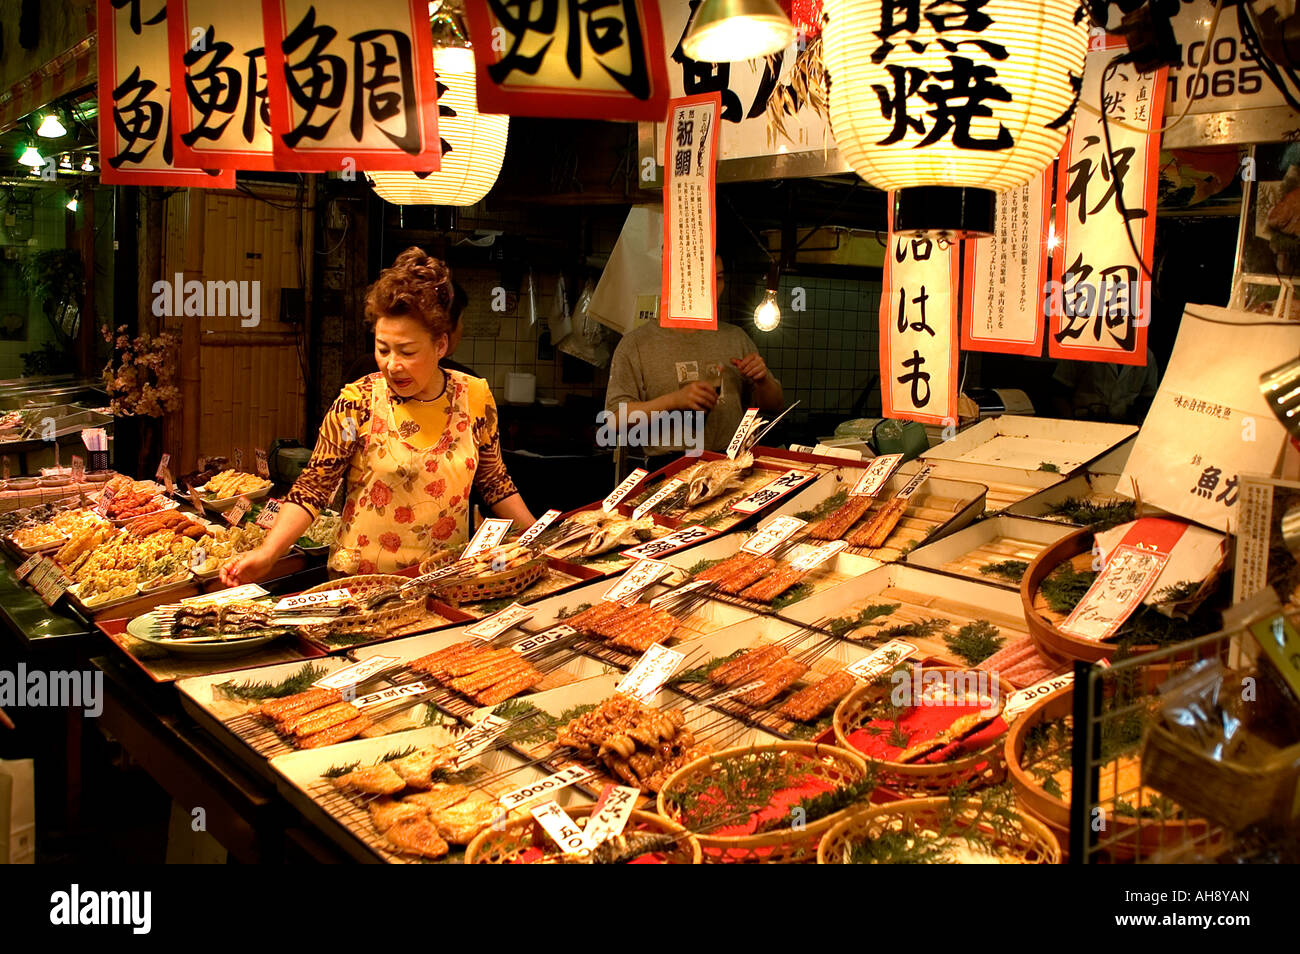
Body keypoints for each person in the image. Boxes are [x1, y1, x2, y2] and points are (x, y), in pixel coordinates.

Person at [222, 248, 534, 582]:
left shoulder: (474, 396)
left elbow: (494, 482)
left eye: (407, 351)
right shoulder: (357, 402)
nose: (391, 364)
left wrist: (537, 534)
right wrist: (269, 554)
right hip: (361, 583)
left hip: (443, 579)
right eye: (382, 349)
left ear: (440, 346)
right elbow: (314, 486)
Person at [604, 255, 784, 468]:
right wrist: (673, 401)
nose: (714, 288)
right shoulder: (637, 343)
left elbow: (775, 406)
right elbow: (614, 420)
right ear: (680, 281)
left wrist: (763, 380)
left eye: (719, 278)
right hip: (669, 466)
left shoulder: (736, 337)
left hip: (732, 464)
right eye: (705, 280)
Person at [1050, 348, 1160, 424]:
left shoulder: (1146, 356)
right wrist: (1070, 423)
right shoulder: (1083, 348)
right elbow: (1059, 391)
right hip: (1083, 420)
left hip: (1123, 426)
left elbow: (1148, 398)